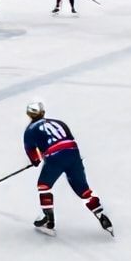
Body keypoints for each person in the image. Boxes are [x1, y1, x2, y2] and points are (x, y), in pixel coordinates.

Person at [22, 101, 113, 236]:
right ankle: (100, 213)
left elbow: (31, 151)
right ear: (43, 112)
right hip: (73, 154)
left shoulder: (30, 130)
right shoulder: (59, 123)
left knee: (44, 186)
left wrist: (35, 161)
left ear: (29, 114)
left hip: (54, 158)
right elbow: (68, 139)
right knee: (83, 190)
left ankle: (49, 221)